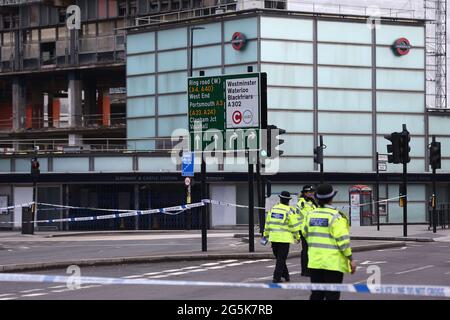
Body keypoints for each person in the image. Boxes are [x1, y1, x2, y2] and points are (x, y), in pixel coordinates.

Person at [302, 184, 356, 300]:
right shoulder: (337, 217)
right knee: (332, 295)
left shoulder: (310, 215)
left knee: (316, 295)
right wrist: (350, 259)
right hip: (333, 264)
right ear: (331, 199)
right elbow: (343, 241)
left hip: (315, 262)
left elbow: (305, 233)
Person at [262, 191, 301, 283]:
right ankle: (276, 277)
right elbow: (293, 226)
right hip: (284, 239)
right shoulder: (290, 211)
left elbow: (268, 224)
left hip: (274, 238)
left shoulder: (273, 209)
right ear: (288, 201)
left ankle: (286, 275)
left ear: (280, 199)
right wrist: (297, 237)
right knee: (281, 258)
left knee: (280, 258)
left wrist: (265, 236)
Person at [296, 185, 317, 277]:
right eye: (310, 192)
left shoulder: (312, 203)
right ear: (304, 193)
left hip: (312, 229)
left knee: (310, 250)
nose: (312, 193)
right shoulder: (301, 203)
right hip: (304, 229)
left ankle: (309, 269)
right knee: (305, 250)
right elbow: (305, 217)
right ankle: (305, 270)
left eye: (312, 192)